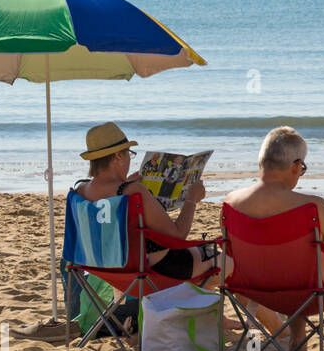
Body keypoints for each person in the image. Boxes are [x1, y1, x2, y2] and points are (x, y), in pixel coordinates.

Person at [223, 126, 324, 351]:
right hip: (309, 296)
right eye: (303, 168)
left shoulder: (231, 203)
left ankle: (298, 340)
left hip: (257, 293)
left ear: (261, 163)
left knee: (294, 262)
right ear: (297, 166)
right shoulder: (312, 207)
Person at [72, 123, 226, 338]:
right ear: (117, 156)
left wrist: (125, 183)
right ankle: (204, 319)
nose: (128, 159)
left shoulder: (80, 191)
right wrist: (191, 199)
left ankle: (203, 318)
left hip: (106, 272)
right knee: (225, 261)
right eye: (128, 154)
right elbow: (178, 235)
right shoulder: (134, 192)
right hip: (150, 273)